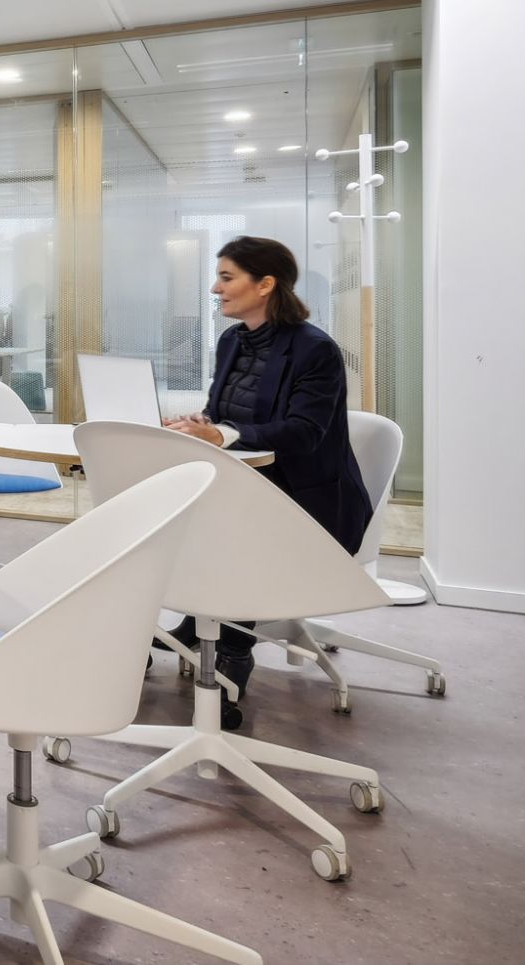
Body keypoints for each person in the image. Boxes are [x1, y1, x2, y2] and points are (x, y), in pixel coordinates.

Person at [157, 235, 372, 725]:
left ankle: (233, 649)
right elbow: (226, 414)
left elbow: (303, 432)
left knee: (229, 529)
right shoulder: (232, 341)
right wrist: (199, 424)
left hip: (307, 504)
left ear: (265, 284)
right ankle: (196, 619)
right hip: (248, 487)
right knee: (172, 514)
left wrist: (222, 434)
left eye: (226, 277)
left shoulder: (315, 350)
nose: (216, 288)